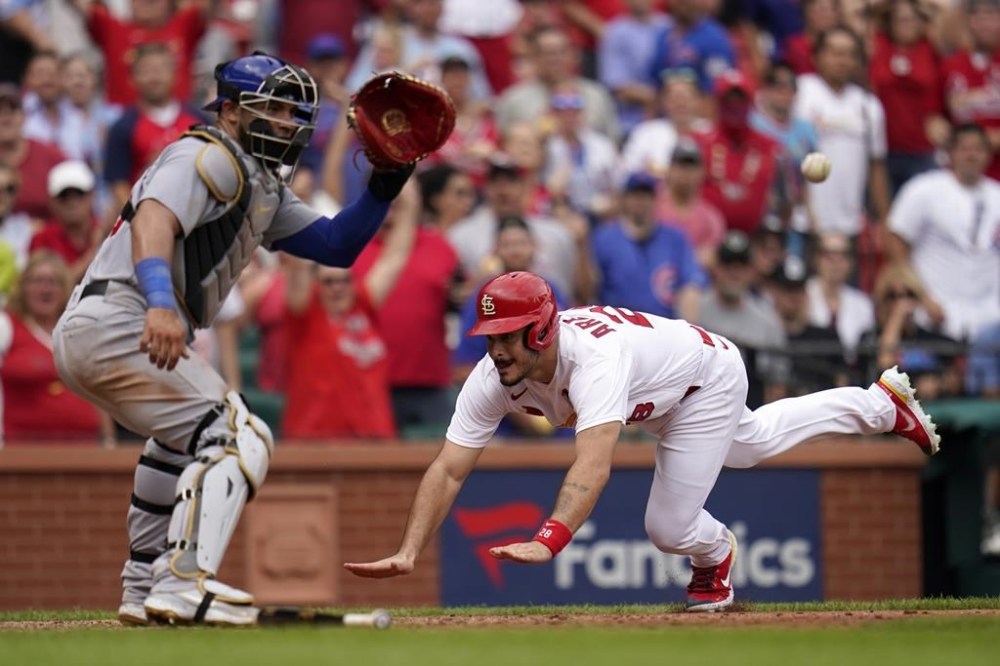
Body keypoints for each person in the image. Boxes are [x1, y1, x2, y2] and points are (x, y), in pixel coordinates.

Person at [50, 53, 415, 626]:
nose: (286, 122)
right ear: (230, 111)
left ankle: (144, 583)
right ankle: (184, 581)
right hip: (122, 316)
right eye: (270, 108)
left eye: (292, 112)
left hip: (103, 325)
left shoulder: (257, 181)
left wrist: (384, 185)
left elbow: (336, 245)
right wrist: (161, 304)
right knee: (239, 433)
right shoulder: (205, 155)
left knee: (180, 440)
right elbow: (153, 220)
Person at [344, 269, 941, 612]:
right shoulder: (493, 374)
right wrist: (410, 549)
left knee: (667, 528)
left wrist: (550, 540)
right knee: (752, 444)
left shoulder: (592, 362)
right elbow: (449, 469)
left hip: (704, 376)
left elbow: (594, 464)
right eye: (489, 334)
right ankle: (878, 404)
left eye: (510, 335)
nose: (496, 348)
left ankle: (715, 555)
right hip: (658, 391)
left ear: (545, 329)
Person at [282, 180, 419, 440]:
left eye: (344, 280)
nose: (338, 288)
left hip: (373, 442)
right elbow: (297, 266)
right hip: (314, 444)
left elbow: (395, 258)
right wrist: (294, 202)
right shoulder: (305, 314)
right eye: (329, 281)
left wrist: (409, 203)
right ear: (317, 286)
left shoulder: (363, 306)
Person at [887, 123, 1000, 343]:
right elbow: (896, 239)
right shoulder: (924, 189)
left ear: (988, 155)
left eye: (978, 149)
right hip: (935, 312)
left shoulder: (997, 195)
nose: (971, 155)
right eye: (964, 149)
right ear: (951, 153)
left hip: (989, 316)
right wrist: (922, 297)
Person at [0, 251, 106, 443]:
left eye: (54, 281)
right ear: (22, 288)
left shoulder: (79, 329)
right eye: (37, 281)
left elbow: (99, 394)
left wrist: (109, 441)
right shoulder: (6, 326)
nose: (45, 288)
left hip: (85, 449)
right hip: (21, 451)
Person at [29, 160, 101, 283]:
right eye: (64, 196)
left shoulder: (109, 231)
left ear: (92, 197)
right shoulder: (42, 239)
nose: (72, 202)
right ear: (52, 202)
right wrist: (96, 251)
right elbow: (56, 289)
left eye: (79, 194)